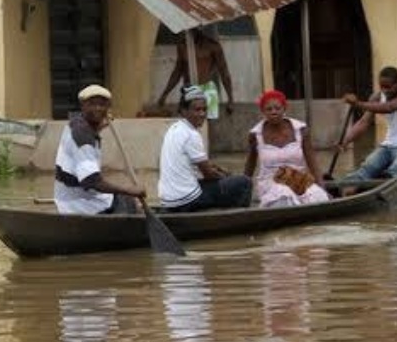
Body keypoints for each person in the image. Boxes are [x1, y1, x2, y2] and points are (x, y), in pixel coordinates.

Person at [53, 84, 147, 216]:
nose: (97, 108)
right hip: (77, 204)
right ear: (83, 106)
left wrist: (98, 128)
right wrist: (129, 190)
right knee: (128, 202)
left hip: (76, 198)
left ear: (108, 108)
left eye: (102, 105)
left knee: (126, 200)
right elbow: (91, 180)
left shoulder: (76, 122)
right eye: (92, 104)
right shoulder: (83, 136)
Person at [158, 86, 253, 213]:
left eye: (204, 109)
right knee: (244, 182)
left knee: (221, 183)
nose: (202, 114)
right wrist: (225, 177)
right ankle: (238, 218)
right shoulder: (192, 134)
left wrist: (217, 169)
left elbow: (200, 163)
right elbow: (208, 174)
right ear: (183, 111)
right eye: (197, 110)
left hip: (168, 199)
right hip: (186, 200)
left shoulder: (174, 128)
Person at [244, 90, 332, 208]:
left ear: (284, 109)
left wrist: (322, 187)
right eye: (269, 109)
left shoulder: (301, 130)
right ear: (263, 112)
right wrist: (243, 191)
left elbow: (312, 162)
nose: (273, 112)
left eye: (277, 108)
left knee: (319, 198)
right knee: (284, 196)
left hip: (298, 179)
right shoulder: (255, 134)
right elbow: (250, 165)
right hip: (271, 182)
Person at [338, 67, 397, 182]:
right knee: (366, 168)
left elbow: (390, 107)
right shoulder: (377, 97)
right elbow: (363, 122)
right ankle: (346, 189)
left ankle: (383, 184)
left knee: (395, 169)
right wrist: (345, 141)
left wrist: (357, 104)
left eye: (388, 87)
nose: (384, 91)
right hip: (388, 146)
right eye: (382, 87)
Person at [155, 26, 234, 120]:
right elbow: (177, 72)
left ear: (200, 29)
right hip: (189, 89)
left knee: (207, 125)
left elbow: (224, 72)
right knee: (187, 124)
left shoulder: (212, 46)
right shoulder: (183, 46)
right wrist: (165, 94)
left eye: (196, 29)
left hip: (206, 90)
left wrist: (230, 99)